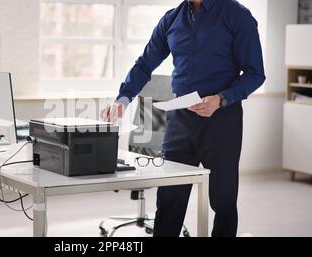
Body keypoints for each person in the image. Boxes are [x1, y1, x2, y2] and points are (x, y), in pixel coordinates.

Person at [101, 0, 265, 237]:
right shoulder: (172, 19)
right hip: (179, 120)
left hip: (221, 119)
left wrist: (220, 99)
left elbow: (255, 73)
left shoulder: (237, 16)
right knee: (169, 197)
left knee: (223, 200)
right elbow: (145, 63)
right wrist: (123, 99)